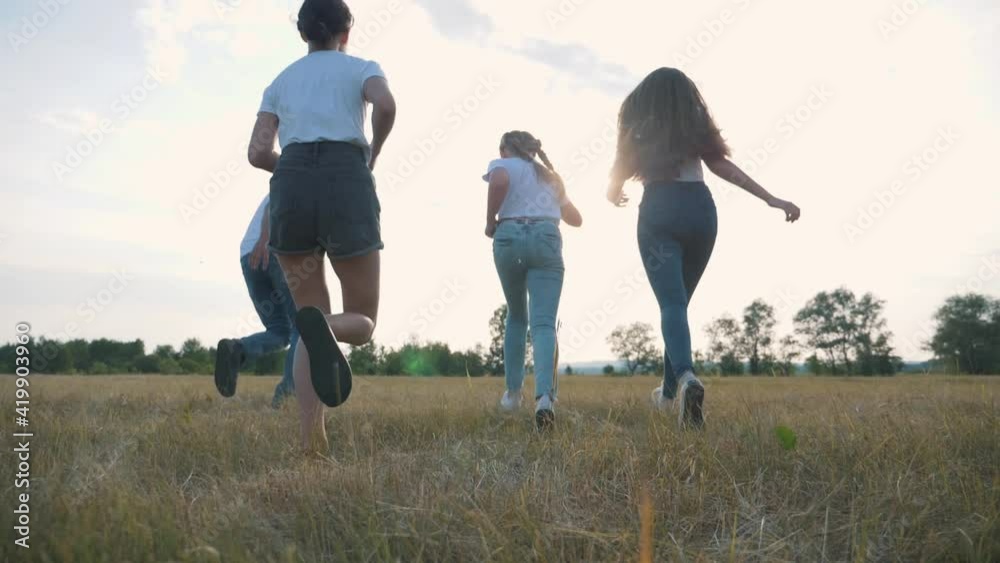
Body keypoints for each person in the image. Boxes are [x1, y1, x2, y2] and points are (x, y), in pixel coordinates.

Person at [606, 67, 801, 429]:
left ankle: (686, 378)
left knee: (672, 305)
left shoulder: (637, 124)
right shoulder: (692, 121)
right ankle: (668, 395)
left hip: (659, 208)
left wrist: (613, 191)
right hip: (700, 211)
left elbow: (617, 175)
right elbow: (721, 166)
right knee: (678, 306)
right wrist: (770, 198)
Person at [246, 0, 397, 452]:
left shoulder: (280, 81)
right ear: (345, 32)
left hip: (290, 184)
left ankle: (312, 443)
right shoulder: (361, 68)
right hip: (346, 178)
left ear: (302, 34)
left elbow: (257, 153)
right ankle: (326, 328)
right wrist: (372, 153)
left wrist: (295, 170)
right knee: (363, 322)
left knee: (308, 320)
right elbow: (386, 104)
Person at [484, 131, 582, 429]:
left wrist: (490, 222)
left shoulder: (502, 165)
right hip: (545, 238)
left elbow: (499, 181)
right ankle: (545, 399)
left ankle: (513, 395)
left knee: (516, 316)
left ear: (505, 149)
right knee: (544, 324)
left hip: (509, 237)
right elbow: (576, 219)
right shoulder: (550, 177)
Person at [214, 195, 299, 408]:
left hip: (248, 256)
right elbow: (274, 204)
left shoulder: (294, 175)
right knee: (303, 326)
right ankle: (287, 396)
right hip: (273, 251)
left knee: (280, 331)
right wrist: (265, 239)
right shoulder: (310, 176)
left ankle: (238, 350)